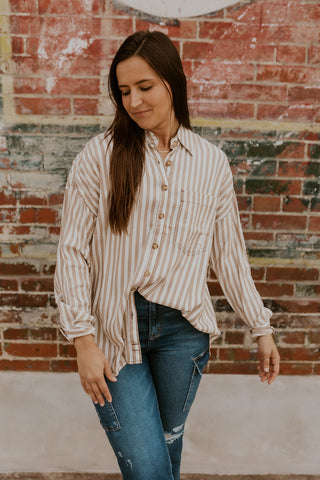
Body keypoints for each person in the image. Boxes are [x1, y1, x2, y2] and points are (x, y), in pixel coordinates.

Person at [54, 30, 280, 480]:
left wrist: (261, 328)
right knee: (150, 469)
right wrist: (82, 339)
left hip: (184, 334)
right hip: (118, 331)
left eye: (144, 87)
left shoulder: (211, 163)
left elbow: (229, 256)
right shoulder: (99, 156)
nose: (133, 101)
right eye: (123, 92)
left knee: (167, 454)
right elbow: (73, 251)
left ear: (172, 82)